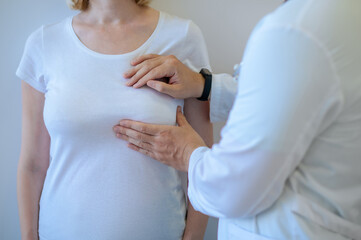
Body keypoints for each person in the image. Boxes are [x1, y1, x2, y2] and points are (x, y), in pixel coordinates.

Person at [113, 0, 361, 239]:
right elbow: (290, 98)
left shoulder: (296, 31)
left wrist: (188, 154)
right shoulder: (340, 15)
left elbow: (234, 191)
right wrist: (206, 85)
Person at [16, 0, 213, 239]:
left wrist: (194, 236)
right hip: (61, 230)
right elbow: (33, 164)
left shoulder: (182, 36)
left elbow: (204, 156)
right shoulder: (45, 43)